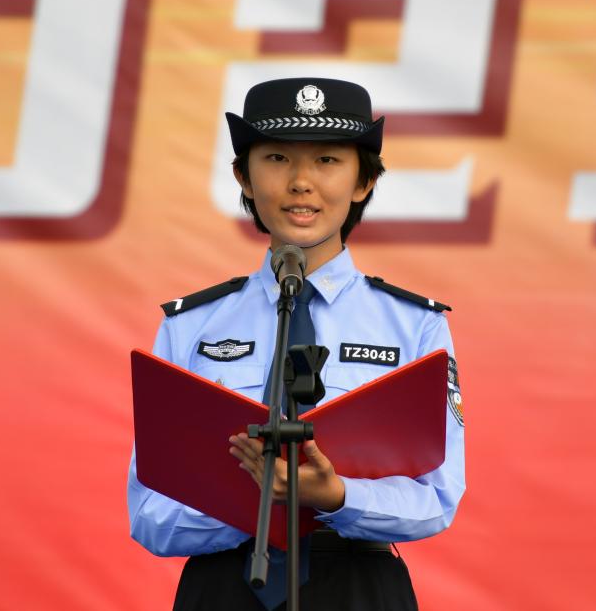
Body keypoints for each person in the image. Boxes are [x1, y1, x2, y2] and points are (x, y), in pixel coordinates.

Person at [127, 77, 465, 611]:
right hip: (225, 586)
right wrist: (255, 502)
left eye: (327, 161)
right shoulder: (192, 324)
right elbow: (150, 517)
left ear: (364, 181)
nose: (301, 182)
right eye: (278, 158)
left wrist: (335, 497)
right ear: (243, 175)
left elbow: (436, 500)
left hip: (358, 585)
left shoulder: (414, 325)